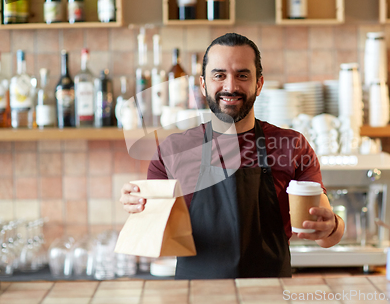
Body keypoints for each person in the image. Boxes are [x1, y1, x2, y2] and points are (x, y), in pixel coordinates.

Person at [120, 33, 344, 279]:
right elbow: (153, 233)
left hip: (268, 296)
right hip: (196, 296)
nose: (230, 86)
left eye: (242, 75)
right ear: (203, 84)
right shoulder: (172, 151)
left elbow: (326, 236)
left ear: (258, 84)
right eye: (219, 75)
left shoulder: (292, 146)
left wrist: (331, 225)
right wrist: (137, 206)